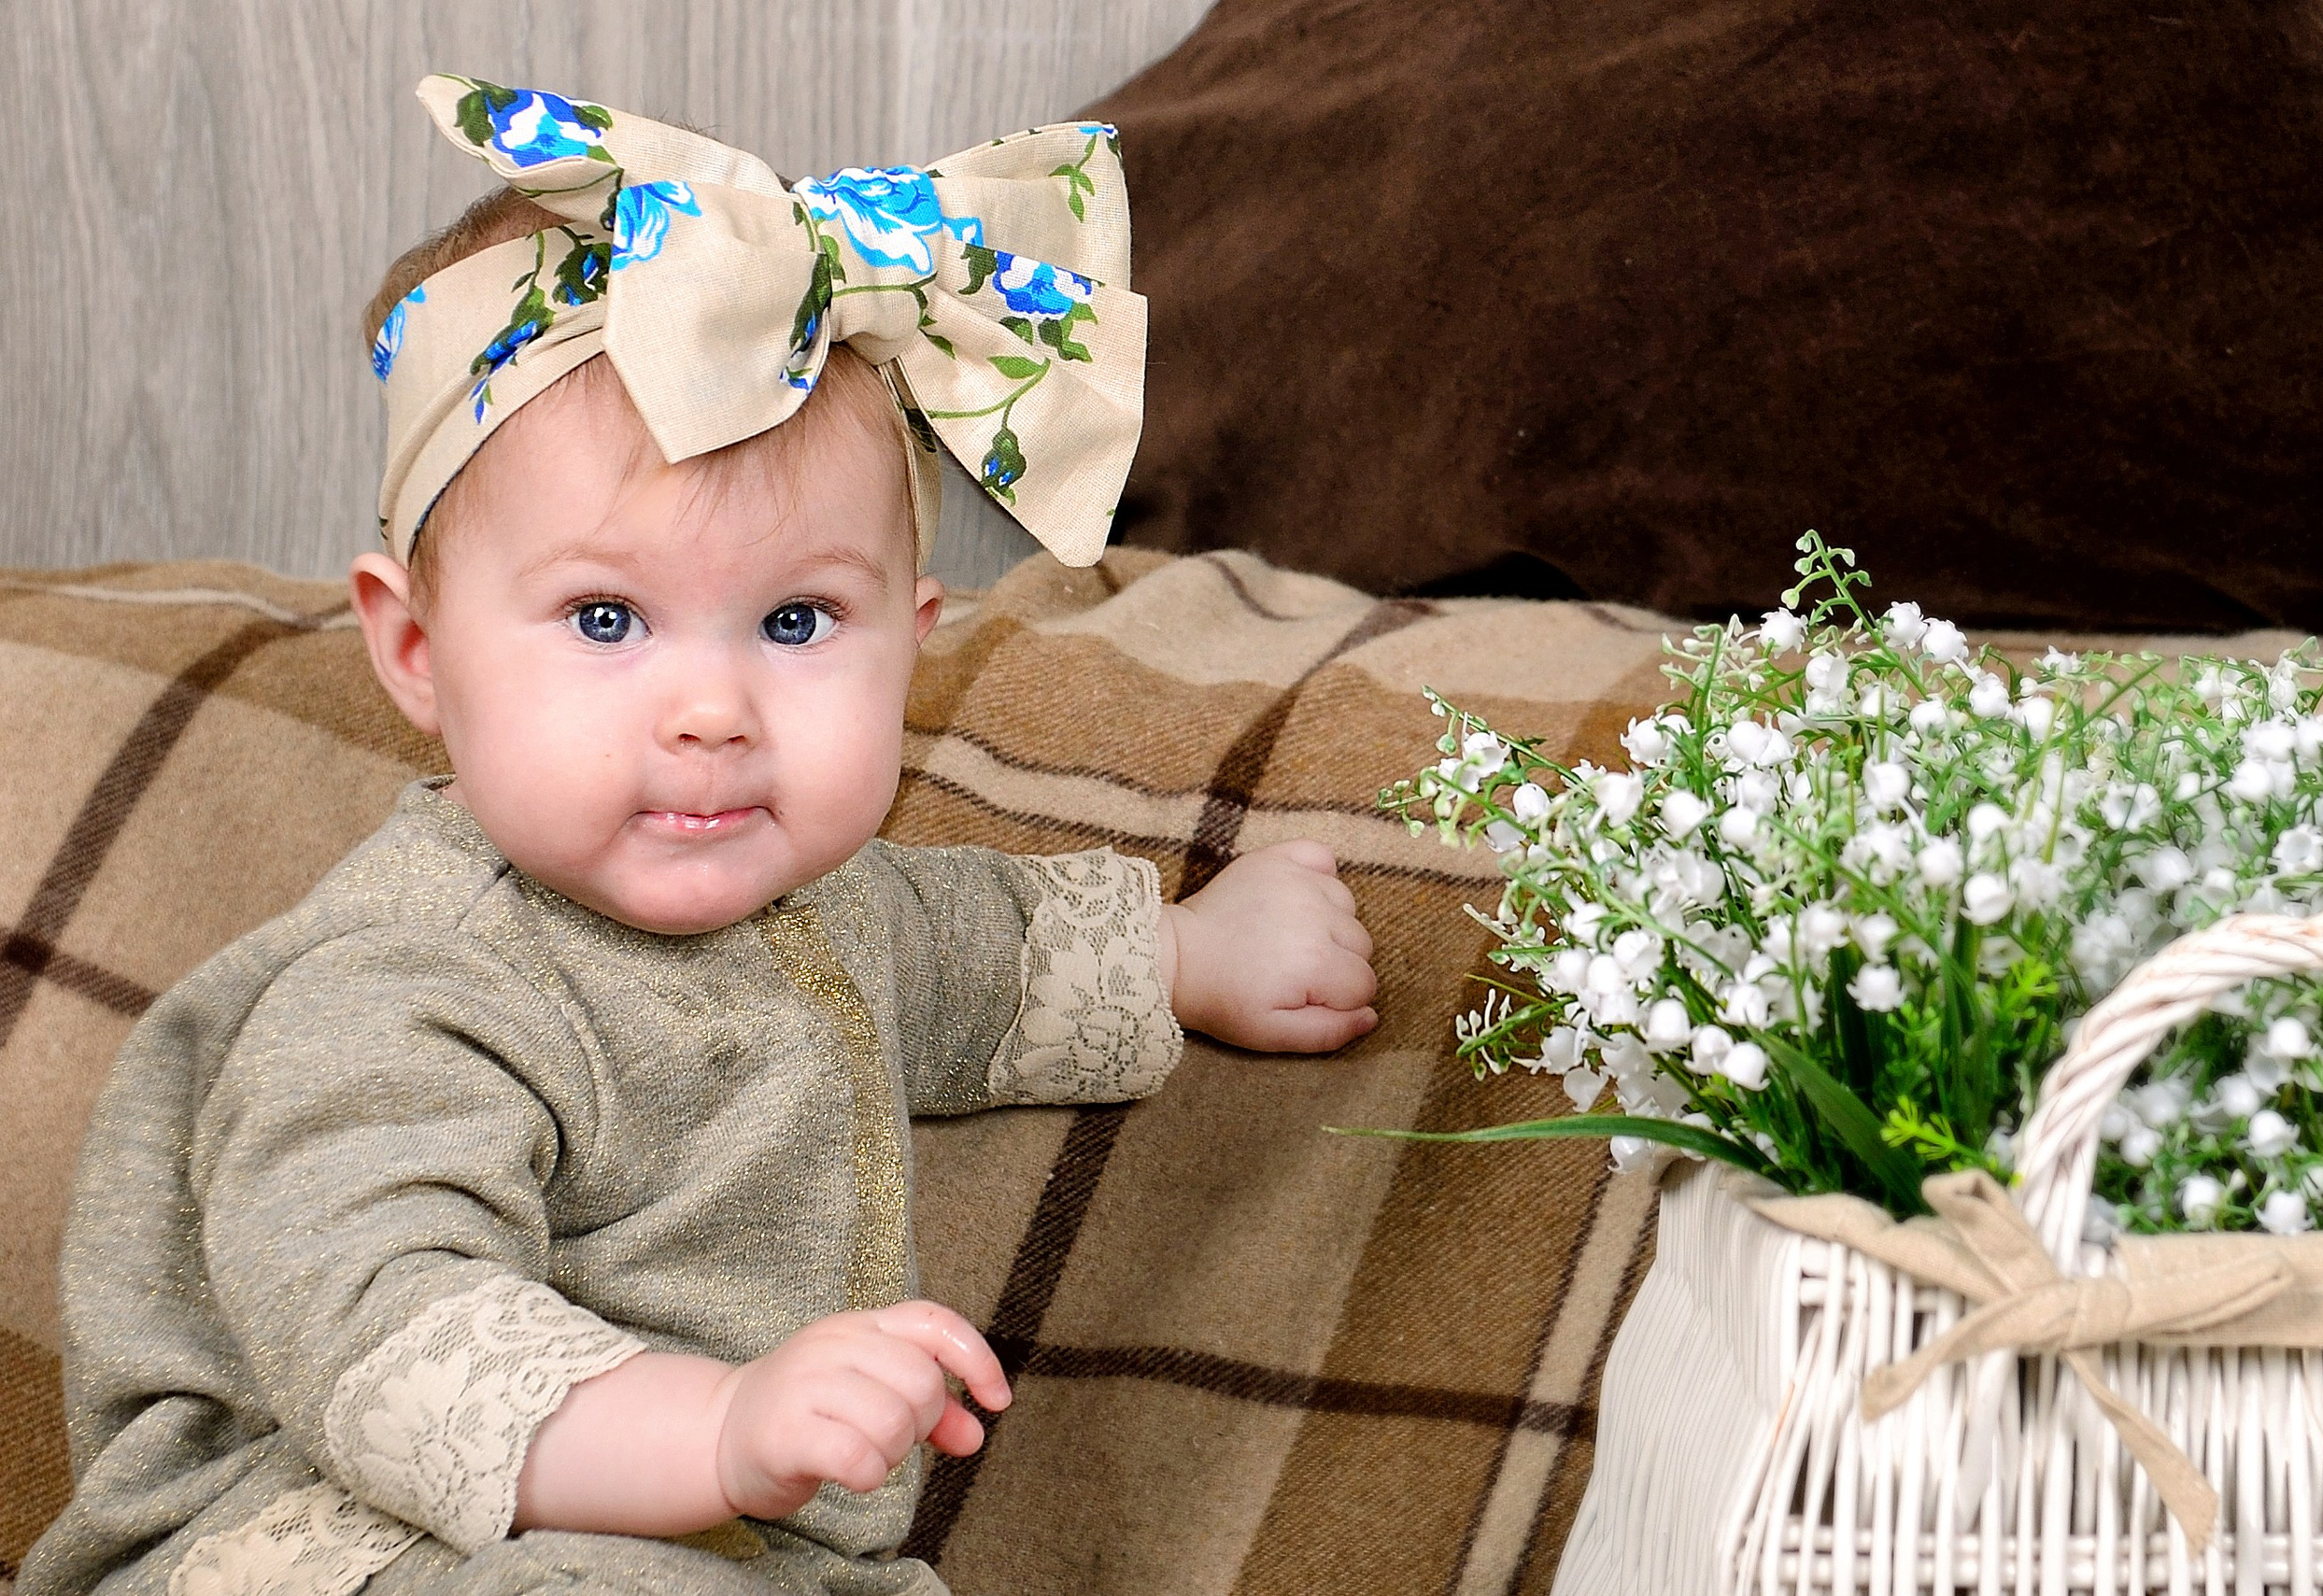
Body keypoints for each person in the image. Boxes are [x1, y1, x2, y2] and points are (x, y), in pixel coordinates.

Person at [21, 76, 1378, 1596]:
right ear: (416, 653)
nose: (713, 710)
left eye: (798, 621)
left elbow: (977, 957)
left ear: (913, 646)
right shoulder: (407, 984)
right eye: (607, 619)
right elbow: (385, 1331)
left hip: (718, 1542)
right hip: (343, 1532)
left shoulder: (833, 913)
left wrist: (1191, 951)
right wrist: (722, 1427)